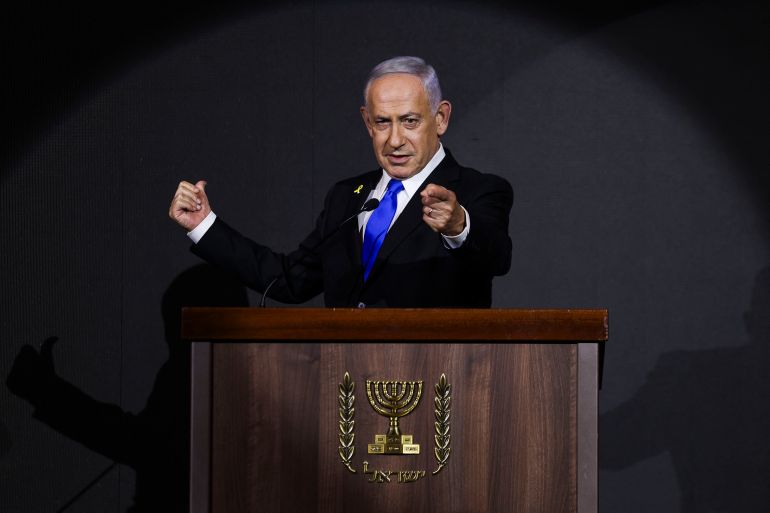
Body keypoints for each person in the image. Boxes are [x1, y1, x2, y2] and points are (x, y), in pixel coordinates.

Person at [169, 56, 513, 307]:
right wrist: (204, 225)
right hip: (346, 378)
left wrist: (458, 226)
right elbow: (290, 280)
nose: (395, 140)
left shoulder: (478, 191)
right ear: (367, 122)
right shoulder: (347, 197)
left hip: (434, 377)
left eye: (410, 121)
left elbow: (497, 258)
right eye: (382, 122)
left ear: (440, 118)